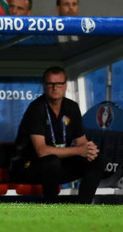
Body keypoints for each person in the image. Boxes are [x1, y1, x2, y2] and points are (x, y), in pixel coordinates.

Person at [10, 66, 105, 204]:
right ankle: (52, 207)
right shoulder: (36, 109)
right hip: (27, 167)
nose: (55, 87)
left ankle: (83, 207)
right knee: (51, 161)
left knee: (97, 160)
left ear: (65, 86)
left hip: (56, 167)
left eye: (59, 83)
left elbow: (81, 142)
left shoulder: (72, 107)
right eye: (51, 84)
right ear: (44, 86)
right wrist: (79, 150)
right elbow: (42, 151)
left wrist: (89, 150)